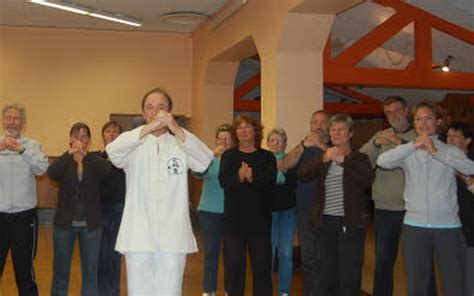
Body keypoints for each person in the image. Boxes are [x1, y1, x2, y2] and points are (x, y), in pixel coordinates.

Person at [106, 88, 213, 296]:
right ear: (143, 113)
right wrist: (146, 129)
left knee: (170, 292)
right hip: (138, 235)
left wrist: (176, 129)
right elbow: (113, 152)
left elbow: (204, 161)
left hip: (173, 236)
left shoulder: (180, 144)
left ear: (170, 112)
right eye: (150, 108)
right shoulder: (133, 144)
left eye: (161, 108)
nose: (156, 113)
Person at [377, 101, 474, 296]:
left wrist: (436, 153)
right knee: (416, 286)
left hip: (448, 227)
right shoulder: (408, 152)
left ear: (437, 121)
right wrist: (412, 146)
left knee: (454, 284)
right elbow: (383, 161)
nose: (423, 122)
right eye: (418, 119)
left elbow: (470, 168)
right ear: (414, 123)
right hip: (414, 226)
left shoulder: (449, 150)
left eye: (428, 117)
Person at [298, 114, 374, 296]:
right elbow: (303, 174)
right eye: (333, 129)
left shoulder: (358, 158)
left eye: (341, 130)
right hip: (325, 223)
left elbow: (367, 180)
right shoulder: (326, 156)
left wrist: (344, 162)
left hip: (350, 223)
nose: (336, 133)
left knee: (350, 273)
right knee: (326, 273)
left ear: (350, 134)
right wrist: (322, 159)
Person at [359, 96, 417, 296]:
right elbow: (360, 161)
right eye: (389, 112)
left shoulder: (419, 135)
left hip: (413, 210)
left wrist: (399, 142)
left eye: (397, 110)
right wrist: (375, 143)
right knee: (383, 263)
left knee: (417, 264)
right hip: (384, 210)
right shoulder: (381, 135)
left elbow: (421, 159)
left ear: (407, 110)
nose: (394, 115)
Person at [48, 122, 112, 296]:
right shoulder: (65, 159)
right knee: (61, 271)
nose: (80, 140)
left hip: (91, 226)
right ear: (70, 139)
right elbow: (52, 173)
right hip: (64, 225)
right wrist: (69, 155)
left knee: (91, 272)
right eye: (76, 136)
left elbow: (107, 171)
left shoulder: (95, 159)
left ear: (89, 140)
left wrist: (85, 156)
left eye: (84, 136)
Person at [219, 115, 276, 296]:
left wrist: (252, 177)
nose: (243, 131)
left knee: (261, 267)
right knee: (234, 267)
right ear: (236, 133)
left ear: (255, 131)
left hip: (260, 222)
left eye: (248, 127)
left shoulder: (267, 157)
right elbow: (224, 182)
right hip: (234, 222)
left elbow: (270, 182)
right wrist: (239, 177)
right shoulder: (228, 156)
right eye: (239, 128)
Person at [0, 103, 48, 296]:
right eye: (8, 118)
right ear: (3, 120)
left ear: (23, 122)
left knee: (24, 270)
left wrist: (21, 150)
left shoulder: (33, 145)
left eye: (16, 118)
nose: (12, 122)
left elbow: (42, 169)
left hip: (24, 217)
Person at [280, 110, 329, 295]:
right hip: (305, 211)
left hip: (329, 213)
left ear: (329, 126)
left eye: (323, 122)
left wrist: (322, 146)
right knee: (308, 259)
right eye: (314, 122)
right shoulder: (303, 149)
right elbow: (285, 164)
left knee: (326, 258)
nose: (318, 126)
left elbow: (346, 166)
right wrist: (303, 145)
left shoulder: (335, 146)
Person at [195, 123, 235, 296]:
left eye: (227, 139)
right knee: (211, 251)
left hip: (232, 212)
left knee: (230, 254)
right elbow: (197, 173)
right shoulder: (208, 157)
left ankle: (229, 290)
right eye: (220, 139)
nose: (224, 142)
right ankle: (208, 290)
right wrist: (210, 156)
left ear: (232, 141)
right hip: (208, 211)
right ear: (216, 140)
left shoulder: (237, 158)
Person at [96, 121, 126, 296]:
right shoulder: (96, 157)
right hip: (98, 210)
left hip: (119, 209)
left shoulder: (126, 159)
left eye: (116, 131)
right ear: (103, 135)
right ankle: (100, 291)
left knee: (114, 254)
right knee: (99, 254)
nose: (112, 134)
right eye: (108, 131)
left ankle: (114, 291)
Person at [267, 128, 297, 296]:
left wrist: (285, 170)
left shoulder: (291, 161)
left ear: (285, 144)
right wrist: (273, 172)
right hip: (268, 214)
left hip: (288, 213)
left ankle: (284, 292)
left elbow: (295, 186)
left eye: (280, 141)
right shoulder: (263, 162)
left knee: (286, 254)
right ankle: (268, 290)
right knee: (268, 255)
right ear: (268, 143)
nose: (276, 144)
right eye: (273, 140)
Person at [446, 121, 474, 295]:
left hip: (471, 231)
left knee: (470, 280)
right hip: (449, 230)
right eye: (448, 136)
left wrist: (466, 178)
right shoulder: (443, 164)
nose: (450, 140)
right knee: (452, 280)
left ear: (468, 140)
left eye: (455, 136)